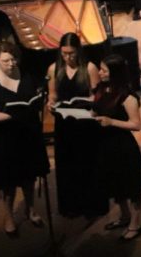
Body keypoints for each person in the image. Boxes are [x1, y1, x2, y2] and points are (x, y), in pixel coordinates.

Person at [0, 42, 50, 236]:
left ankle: (30, 209)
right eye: (5, 61)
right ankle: (9, 216)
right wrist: (12, 116)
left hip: (28, 134)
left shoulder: (24, 74)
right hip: (6, 138)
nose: (11, 64)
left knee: (29, 177)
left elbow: (34, 97)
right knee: (9, 182)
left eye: (13, 59)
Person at [46, 33, 107, 219]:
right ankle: (71, 205)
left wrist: (86, 101)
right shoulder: (54, 68)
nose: (68, 57)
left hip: (85, 122)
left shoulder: (89, 68)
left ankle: (92, 205)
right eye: (64, 53)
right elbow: (53, 95)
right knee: (67, 163)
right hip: (65, 123)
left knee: (87, 161)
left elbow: (97, 96)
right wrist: (50, 103)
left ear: (78, 51)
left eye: (71, 53)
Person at [92, 54, 141, 241]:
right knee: (116, 184)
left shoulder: (127, 96)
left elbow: (136, 125)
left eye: (104, 70)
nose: (99, 72)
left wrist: (111, 121)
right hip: (105, 144)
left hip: (122, 146)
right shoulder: (101, 89)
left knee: (132, 186)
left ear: (114, 73)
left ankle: (135, 224)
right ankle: (124, 216)